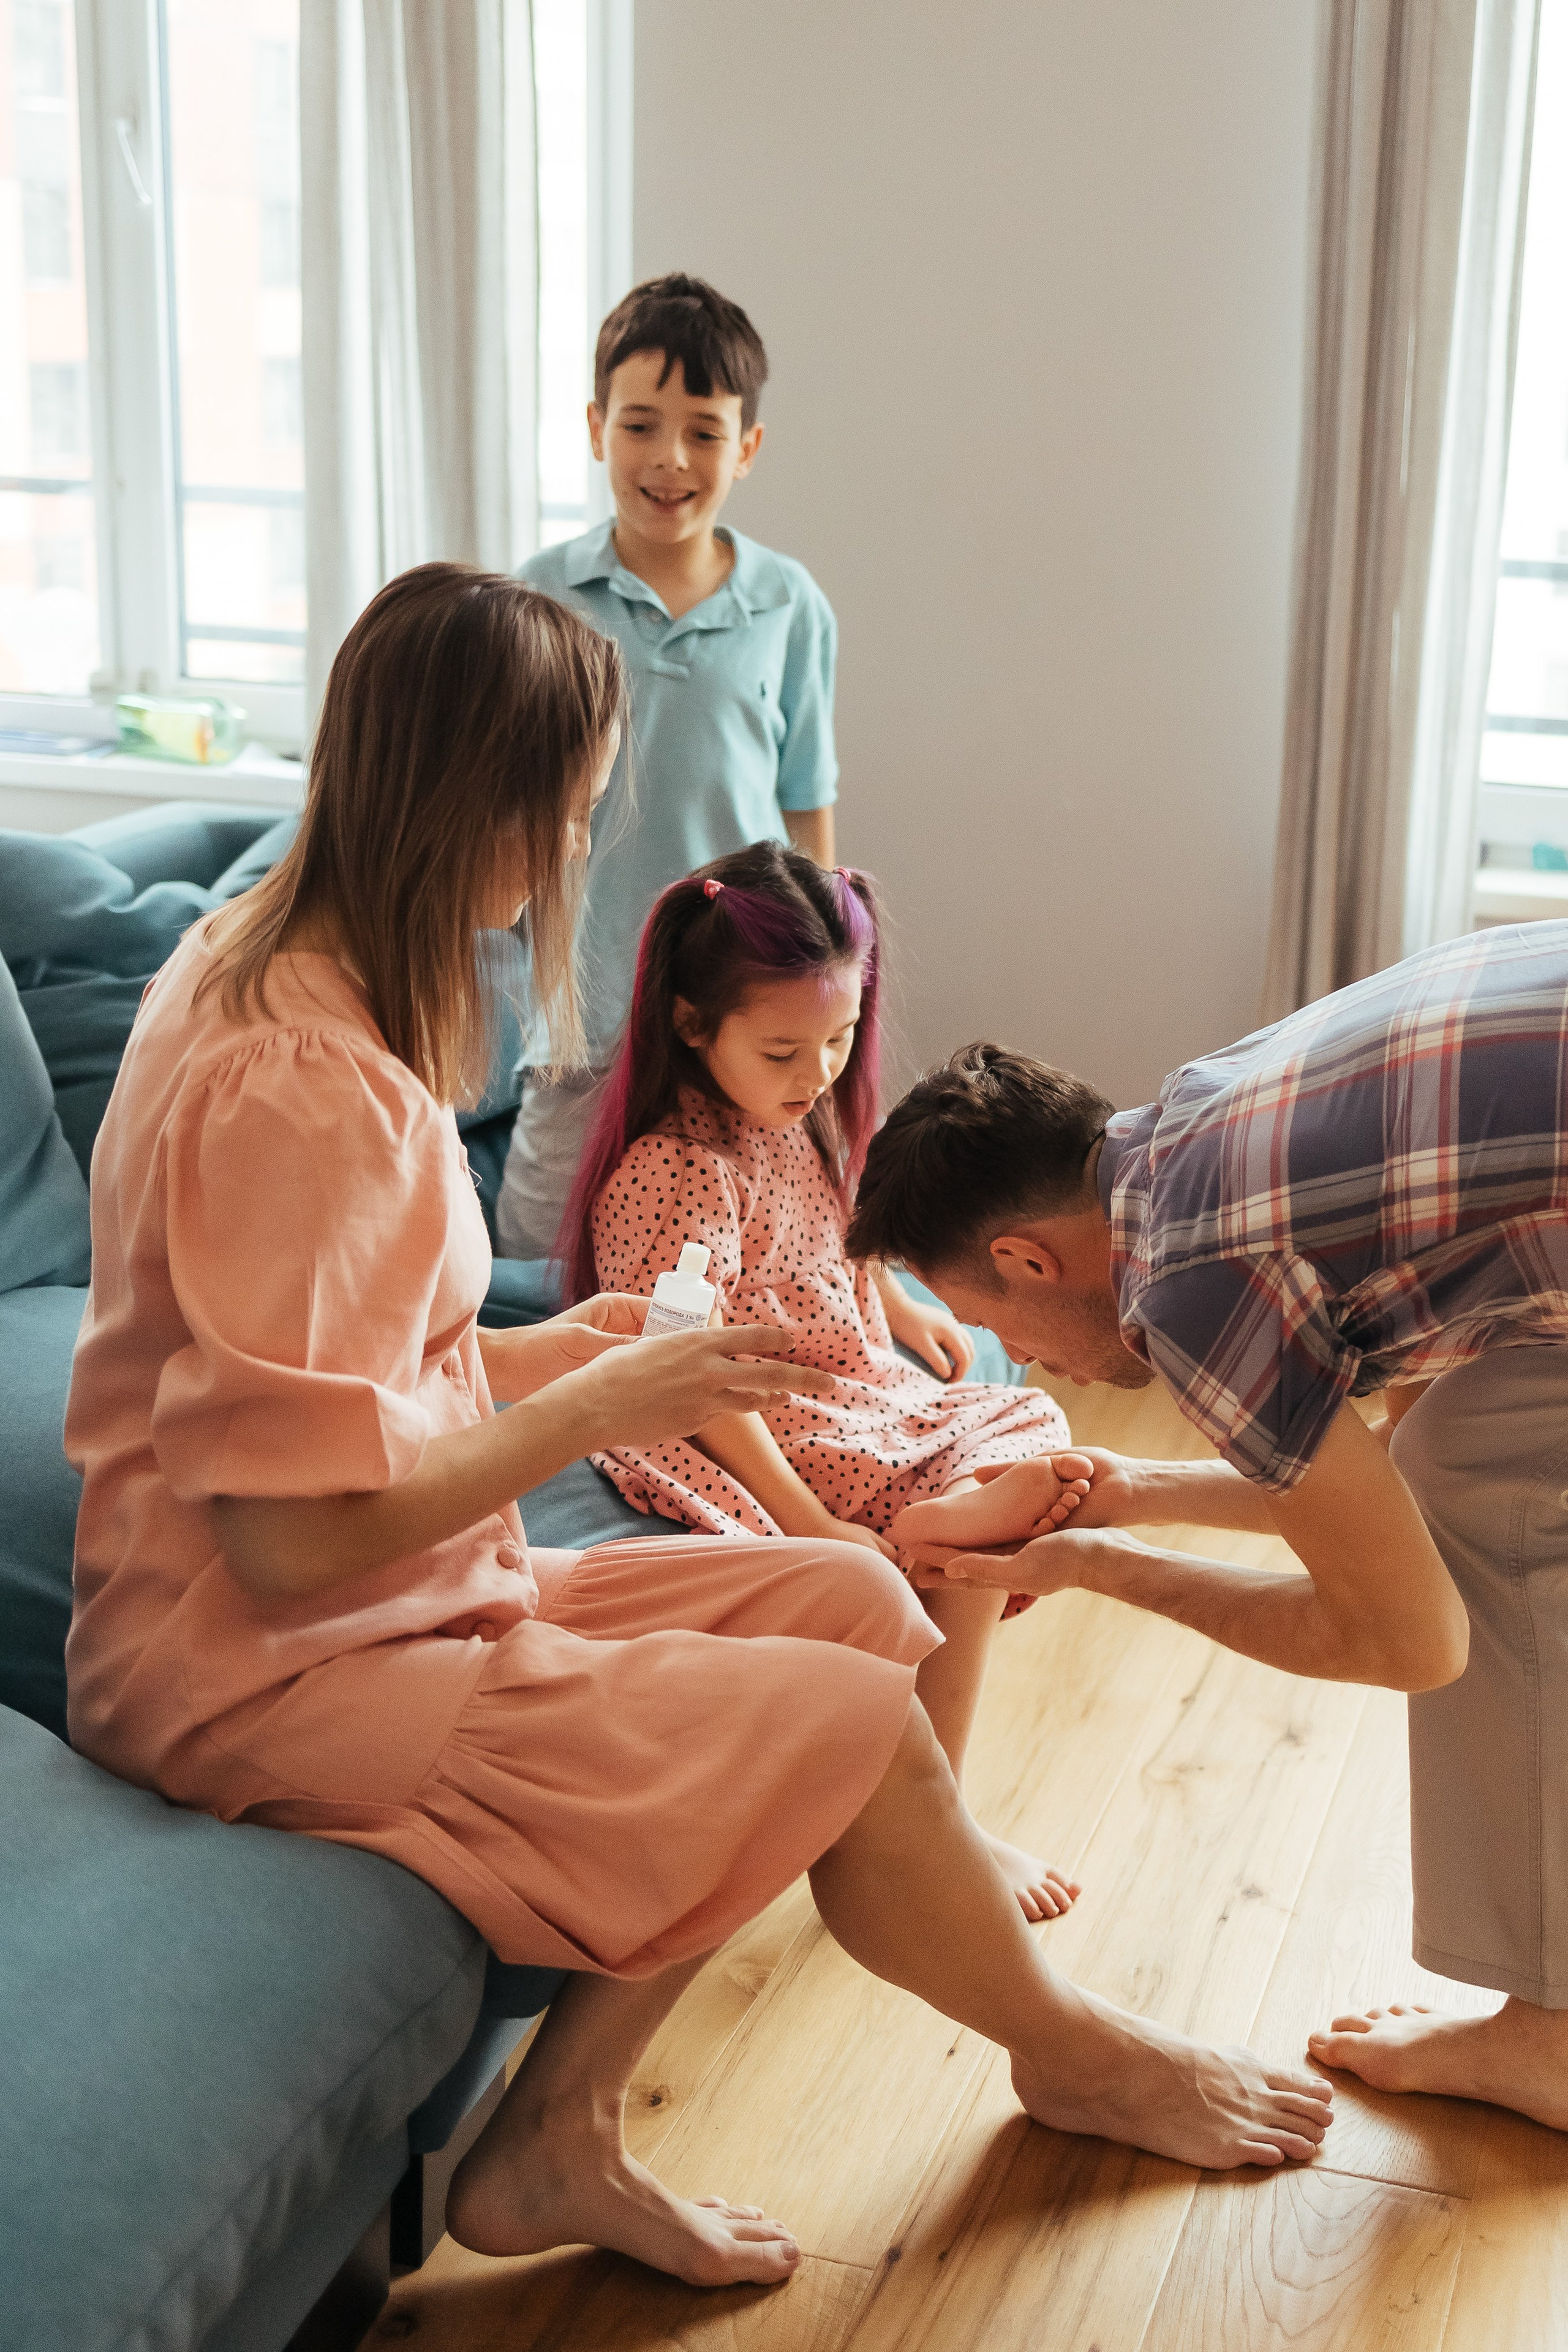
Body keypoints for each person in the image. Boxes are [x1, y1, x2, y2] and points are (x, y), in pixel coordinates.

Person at [63, 567, 1332, 2288]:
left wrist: (522, 1349)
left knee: (866, 1608)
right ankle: (1058, 2052)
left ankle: (568, 2130)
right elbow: (285, 1533)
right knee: (846, 1712)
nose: (571, 847)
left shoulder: (293, 972)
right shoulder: (298, 1079)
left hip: (405, 1602)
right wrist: (604, 1398)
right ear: (483, 807)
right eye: (571, 810)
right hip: (275, 1673)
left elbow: (319, 1377)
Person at [847, 956, 1568, 2136]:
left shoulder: (1188, 1281)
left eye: (993, 1325)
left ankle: (1555, 2040)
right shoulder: (1184, 1131)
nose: (1024, 1366)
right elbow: (1370, 1489)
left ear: (1030, 1259)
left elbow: (1410, 1638)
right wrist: (1125, 1492)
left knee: (1501, 1535)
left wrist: (1098, 1566)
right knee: (1463, 1462)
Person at [561, 840, 1096, 1921]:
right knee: (979, 1499)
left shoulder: (796, 1118)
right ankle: (936, 1824)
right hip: (762, 1426)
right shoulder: (675, 1169)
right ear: (689, 1023)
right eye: (784, 1050)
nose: (818, 1074)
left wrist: (897, 1300)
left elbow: (826, 1239)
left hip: (850, 1389)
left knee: (1033, 1429)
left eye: (842, 1038)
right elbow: (687, 1376)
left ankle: (932, 1751)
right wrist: (809, 1523)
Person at [496, 273, 841, 1261]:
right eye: (641, 425)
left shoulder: (790, 604)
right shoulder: (539, 597)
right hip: (584, 986)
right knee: (539, 1246)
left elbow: (808, 806)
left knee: (730, 1233)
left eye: (702, 431)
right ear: (598, 427)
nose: (670, 459)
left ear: (748, 448)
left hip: (738, 984)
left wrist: (820, 975)